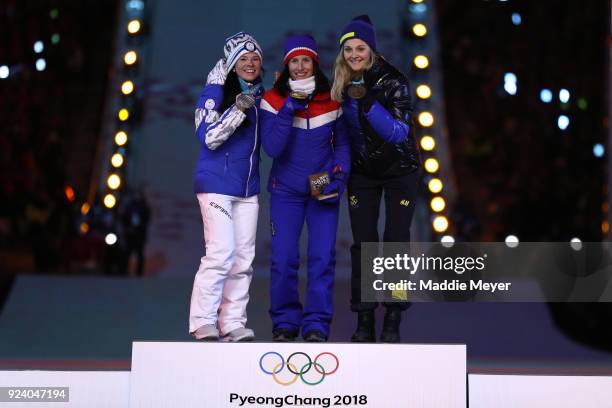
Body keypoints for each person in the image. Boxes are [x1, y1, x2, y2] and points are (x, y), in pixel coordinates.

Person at [332, 16, 421, 343]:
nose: (354, 54)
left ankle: (393, 317)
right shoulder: (340, 81)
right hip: (363, 174)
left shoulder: (394, 80)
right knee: (365, 245)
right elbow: (343, 135)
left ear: (371, 49)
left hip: (400, 171)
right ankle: (365, 318)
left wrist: (368, 102)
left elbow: (398, 133)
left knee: (396, 241)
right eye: (349, 48)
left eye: (360, 47)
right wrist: (339, 171)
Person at [260, 35, 350, 342]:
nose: (300, 67)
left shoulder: (333, 98)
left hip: (320, 187)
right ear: (287, 66)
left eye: (305, 60)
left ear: (315, 63)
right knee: (283, 258)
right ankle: (285, 323)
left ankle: (316, 324)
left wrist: (338, 174)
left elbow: (344, 145)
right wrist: (289, 108)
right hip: (285, 190)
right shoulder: (272, 100)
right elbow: (272, 148)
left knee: (322, 258)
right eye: (294, 61)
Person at [189, 32, 264, 342]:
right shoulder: (215, 91)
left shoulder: (261, 96)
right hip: (217, 185)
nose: (250, 63)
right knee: (221, 253)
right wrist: (238, 109)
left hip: (248, 189)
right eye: (243, 59)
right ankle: (203, 321)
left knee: (244, 259)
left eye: (255, 59)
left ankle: (232, 322)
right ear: (232, 65)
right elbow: (208, 136)